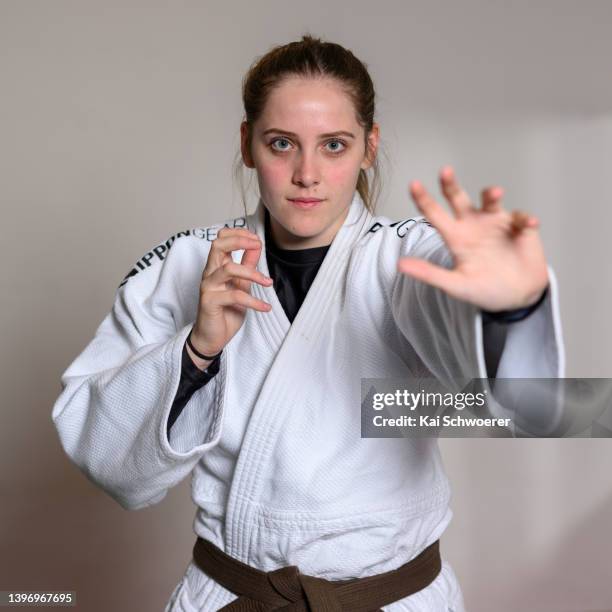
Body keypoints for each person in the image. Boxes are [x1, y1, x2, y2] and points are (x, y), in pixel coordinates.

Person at [51, 34, 564, 611]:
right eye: (282, 143)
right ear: (247, 145)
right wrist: (197, 351)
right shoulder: (189, 261)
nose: (307, 174)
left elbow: (526, 407)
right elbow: (102, 454)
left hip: (391, 598)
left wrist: (510, 308)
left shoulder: (406, 259)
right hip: (234, 593)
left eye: (334, 145)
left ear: (370, 147)